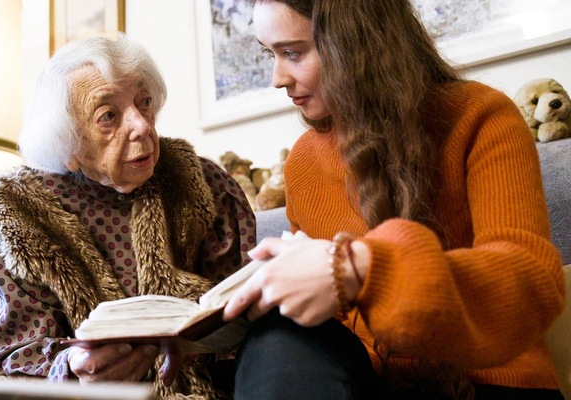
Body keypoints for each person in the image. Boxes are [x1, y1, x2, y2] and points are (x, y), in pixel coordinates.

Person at [222, 1, 566, 399]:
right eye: (270, 54)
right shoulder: (302, 162)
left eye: (293, 53)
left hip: (494, 382)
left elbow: (529, 284)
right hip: (371, 382)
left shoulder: (480, 116)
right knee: (276, 337)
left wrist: (363, 268)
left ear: (356, 42)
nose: (277, 79)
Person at [0, 35, 256, 399]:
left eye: (144, 102)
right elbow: (2, 358)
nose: (142, 126)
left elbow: (247, 313)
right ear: (67, 142)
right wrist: (72, 369)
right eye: (108, 116)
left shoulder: (203, 184)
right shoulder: (23, 217)